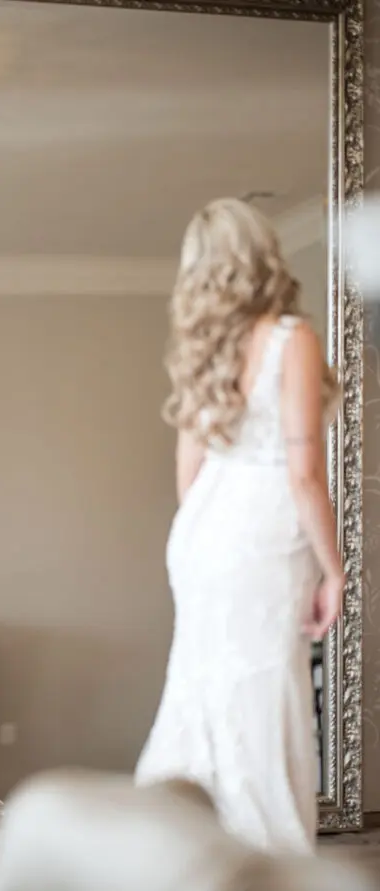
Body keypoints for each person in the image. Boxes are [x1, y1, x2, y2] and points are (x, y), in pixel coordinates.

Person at [134, 198, 342, 854]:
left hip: (201, 531)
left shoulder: (205, 348)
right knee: (261, 685)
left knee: (200, 682)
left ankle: (181, 850)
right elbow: (305, 471)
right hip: (264, 529)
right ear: (261, 255)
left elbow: (187, 464)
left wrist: (203, 540)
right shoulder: (290, 338)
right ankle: (271, 863)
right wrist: (335, 568)